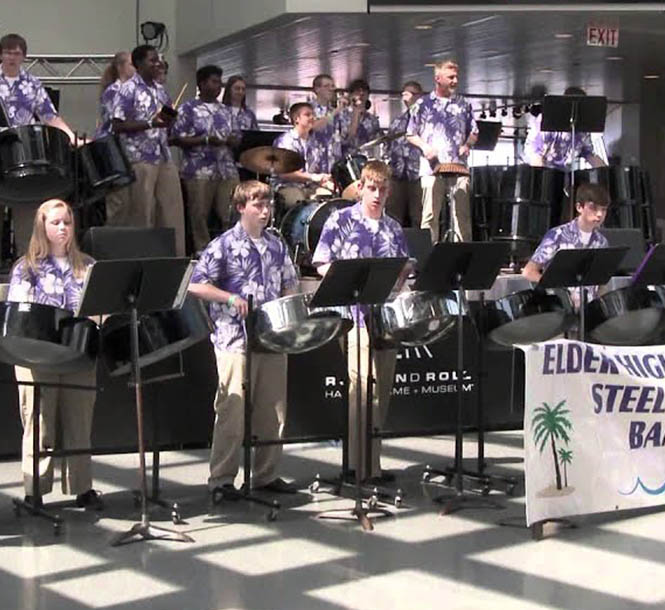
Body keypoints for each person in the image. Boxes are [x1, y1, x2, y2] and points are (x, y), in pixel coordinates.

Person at [188, 180, 300, 498]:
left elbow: (290, 282)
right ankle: (222, 480)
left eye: (268, 206)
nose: (265, 212)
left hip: (271, 336)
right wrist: (228, 297)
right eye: (258, 206)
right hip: (234, 338)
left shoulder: (277, 244)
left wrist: (288, 305)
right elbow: (195, 284)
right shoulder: (223, 245)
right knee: (232, 412)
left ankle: (266, 475)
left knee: (273, 410)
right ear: (241, 208)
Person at [312, 160, 410, 482]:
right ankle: (357, 466)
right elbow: (322, 263)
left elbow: (403, 270)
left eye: (383, 189)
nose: (377, 195)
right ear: (361, 188)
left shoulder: (394, 228)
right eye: (372, 188)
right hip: (353, 317)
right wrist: (346, 281)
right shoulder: (340, 220)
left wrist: (401, 275)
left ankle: (374, 464)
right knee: (362, 390)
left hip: (386, 317)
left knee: (381, 390)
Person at [7, 199, 102, 510]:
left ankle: (82, 487)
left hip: (77, 354)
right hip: (38, 356)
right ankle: (35, 491)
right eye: (56, 223)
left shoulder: (87, 265)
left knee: (80, 423)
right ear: (42, 227)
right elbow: (21, 319)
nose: (63, 228)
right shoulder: (27, 268)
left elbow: (99, 309)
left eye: (67, 222)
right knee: (40, 426)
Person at [0, 33, 79, 256]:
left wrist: (71, 137)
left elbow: (49, 116)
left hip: (22, 157)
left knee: (27, 217)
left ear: (24, 56)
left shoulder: (32, 84)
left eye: (16, 53)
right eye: (7, 52)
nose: (12, 57)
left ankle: (27, 270)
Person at [112, 44, 186, 255]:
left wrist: (170, 121)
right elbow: (117, 125)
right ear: (138, 64)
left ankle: (175, 259)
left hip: (163, 156)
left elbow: (166, 124)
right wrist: (150, 123)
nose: (157, 64)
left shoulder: (161, 91)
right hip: (139, 158)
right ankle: (142, 258)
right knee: (143, 213)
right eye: (152, 60)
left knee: (172, 211)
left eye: (159, 60)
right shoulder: (126, 90)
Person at [406, 59, 478, 243]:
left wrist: (467, 145)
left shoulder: (463, 104)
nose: (454, 81)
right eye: (450, 77)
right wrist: (425, 147)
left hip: (457, 165)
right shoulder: (423, 104)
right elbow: (410, 134)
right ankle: (428, 257)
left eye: (456, 77)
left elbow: (474, 131)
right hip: (432, 167)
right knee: (430, 215)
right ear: (438, 78)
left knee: (461, 215)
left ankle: (463, 256)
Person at [173, 65, 241, 253]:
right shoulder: (188, 109)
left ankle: (232, 249)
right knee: (199, 214)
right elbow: (177, 138)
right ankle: (202, 252)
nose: (218, 86)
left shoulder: (226, 111)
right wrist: (205, 140)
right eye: (213, 82)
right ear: (202, 84)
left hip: (226, 168)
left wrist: (232, 140)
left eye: (220, 82)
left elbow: (237, 137)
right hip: (199, 170)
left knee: (231, 210)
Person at [522, 182, 610, 305]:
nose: (599, 214)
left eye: (604, 210)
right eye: (593, 208)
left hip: (588, 311)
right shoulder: (557, 235)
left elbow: (601, 283)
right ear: (579, 207)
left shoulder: (602, 242)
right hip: (560, 308)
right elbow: (529, 272)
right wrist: (558, 290)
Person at [94, 51, 136, 226]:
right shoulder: (115, 91)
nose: (136, 68)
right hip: (114, 151)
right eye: (132, 64)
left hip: (127, 151)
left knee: (131, 204)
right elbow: (117, 122)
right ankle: (113, 247)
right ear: (120, 67)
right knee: (119, 203)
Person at [523, 87, 606, 171]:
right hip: (536, 168)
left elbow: (590, 154)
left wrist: (606, 174)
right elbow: (535, 152)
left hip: (562, 171)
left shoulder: (582, 131)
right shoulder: (547, 120)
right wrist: (541, 178)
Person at [273, 102, 335, 208]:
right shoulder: (285, 141)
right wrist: (313, 177)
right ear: (297, 119)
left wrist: (325, 180)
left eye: (313, 114)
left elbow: (322, 170)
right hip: (288, 186)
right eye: (307, 114)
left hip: (312, 186)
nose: (312, 117)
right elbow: (284, 173)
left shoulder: (317, 142)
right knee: (297, 202)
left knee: (328, 200)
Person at [386, 80, 424, 227]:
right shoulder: (397, 122)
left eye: (412, 93)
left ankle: (421, 248)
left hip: (418, 175)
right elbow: (389, 145)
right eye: (405, 93)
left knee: (418, 215)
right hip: (397, 175)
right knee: (394, 215)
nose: (408, 97)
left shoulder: (425, 119)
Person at [334, 78, 380, 158]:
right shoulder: (341, 116)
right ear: (351, 95)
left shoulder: (372, 119)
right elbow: (348, 137)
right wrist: (356, 112)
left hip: (367, 160)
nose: (361, 94)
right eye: (357, 91)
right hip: (346, 160)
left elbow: (377, 141)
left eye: (364, 92)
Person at [310, 73, 344, 171]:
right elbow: (314, 127)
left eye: (332, 86)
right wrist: (336, 111)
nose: (331, 89)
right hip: (315, 162)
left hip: (334, 162)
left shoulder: (335, 111)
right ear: (317, 89)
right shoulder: (309, 109)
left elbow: (345, 136)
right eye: (326, 86)